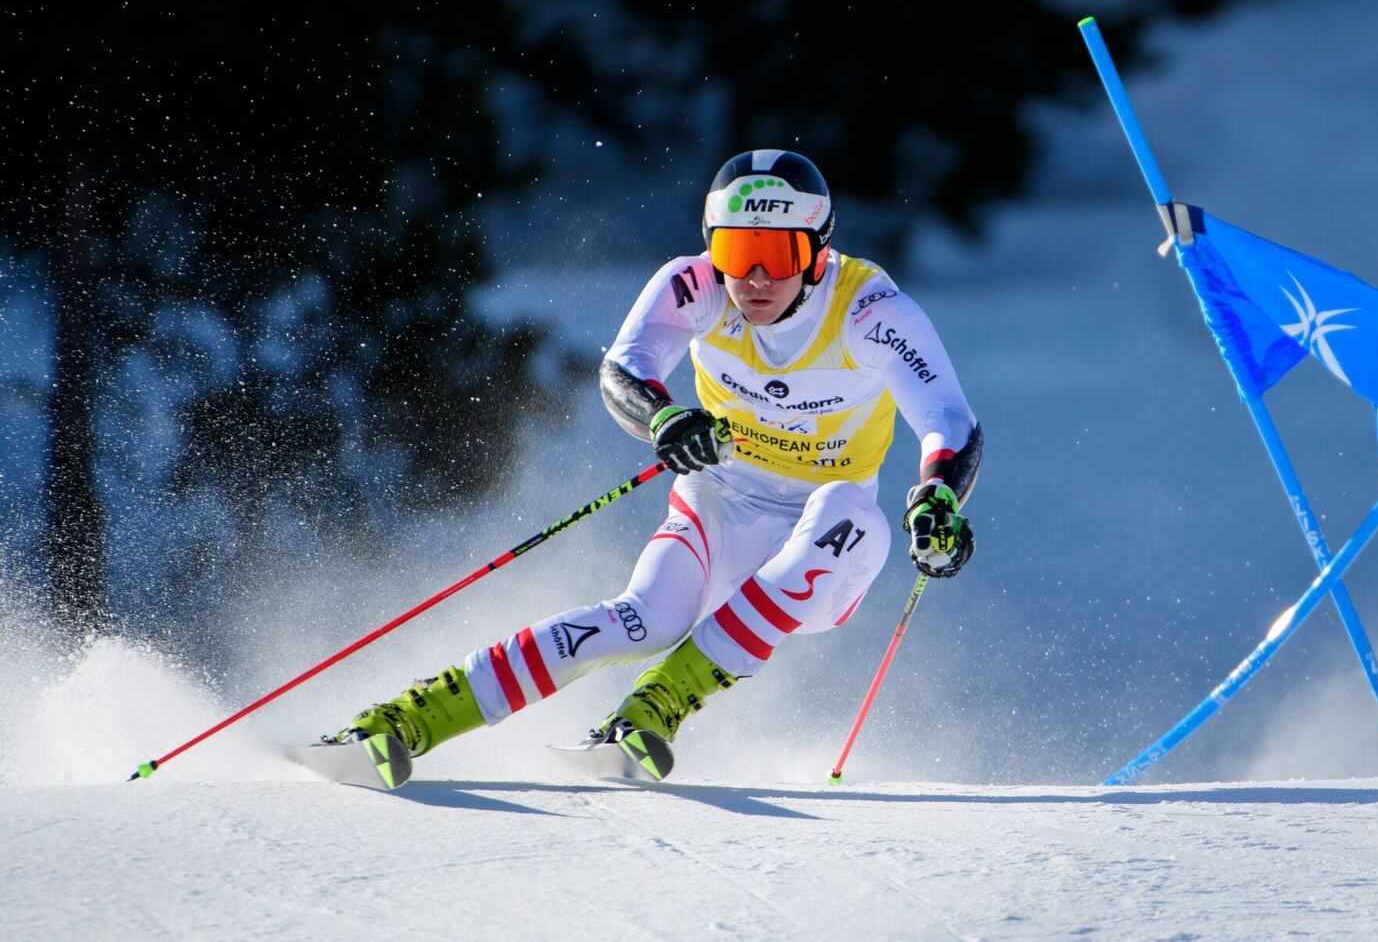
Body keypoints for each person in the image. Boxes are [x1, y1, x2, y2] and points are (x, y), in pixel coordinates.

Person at [329, 149, 983, 779]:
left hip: (826, 550)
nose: (753, 279)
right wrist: (665, 419)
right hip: (720, 503)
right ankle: (406, 720)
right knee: (644, 620)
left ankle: (657, 705)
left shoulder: (869, 311)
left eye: (778, 255)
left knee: (849, 515)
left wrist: (938, 498)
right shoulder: (693, 285)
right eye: (734, 252)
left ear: (818, 252)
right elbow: (625, 370)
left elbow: (949, 420)